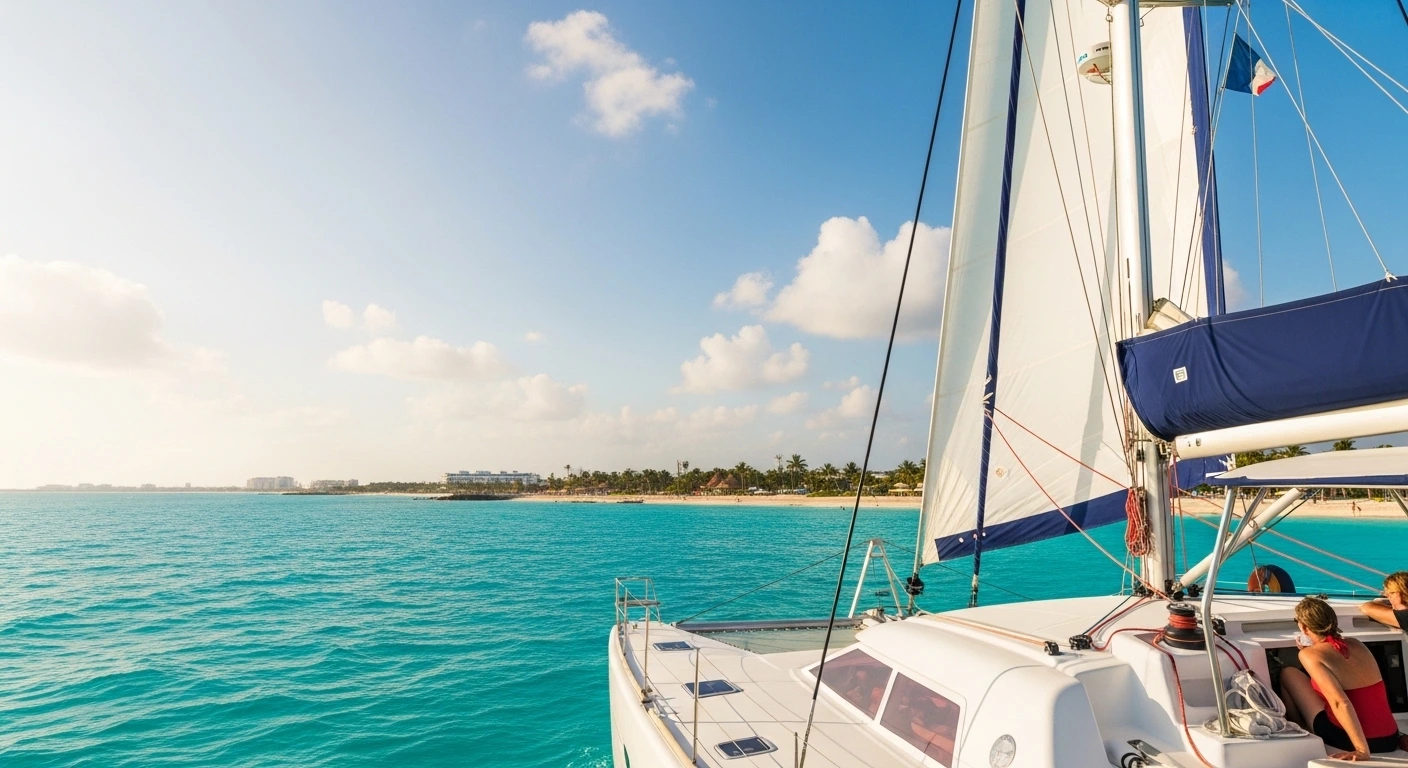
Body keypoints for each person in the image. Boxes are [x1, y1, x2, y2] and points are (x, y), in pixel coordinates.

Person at [1279, 597, 1401, 760]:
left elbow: (1340, 702)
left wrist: (1362, 750)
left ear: (1304, 627)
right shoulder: (1357, 644)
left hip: (1355, 740)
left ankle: (1301, 728)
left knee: (1288, 673)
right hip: (1391, 738)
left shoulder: (1309, 655)